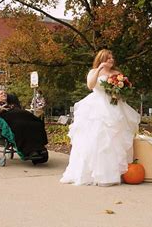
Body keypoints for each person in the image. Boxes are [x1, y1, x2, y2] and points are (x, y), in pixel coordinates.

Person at [60, 49, 140, 186]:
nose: (111, 60)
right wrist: (99, 70)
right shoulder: (93, 72)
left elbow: (123, 91)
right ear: (102, 59)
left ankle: (113, 173)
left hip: (114, 105)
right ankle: (92, 173)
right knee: (95, 138)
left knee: (113, 139)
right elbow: (90, 85)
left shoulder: (117, 73)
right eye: (108, 58)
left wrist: (120, 89)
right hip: (96, 106)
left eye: (112, 57)